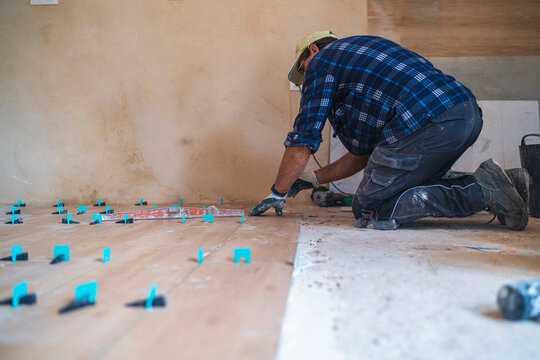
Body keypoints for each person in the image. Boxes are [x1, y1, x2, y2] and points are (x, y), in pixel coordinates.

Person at [249, 30, 528, 231]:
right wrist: (312, 178)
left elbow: (303, 141)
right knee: (405, 186)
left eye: (303, 70)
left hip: (426, 122)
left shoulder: (322, 63)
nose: (305, 80)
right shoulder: (364, 51)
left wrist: (278, 192)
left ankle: (480, 193)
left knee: (369, 209)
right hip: (463, 114)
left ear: (312, 51)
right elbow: (365, 155)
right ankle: (507, 182)